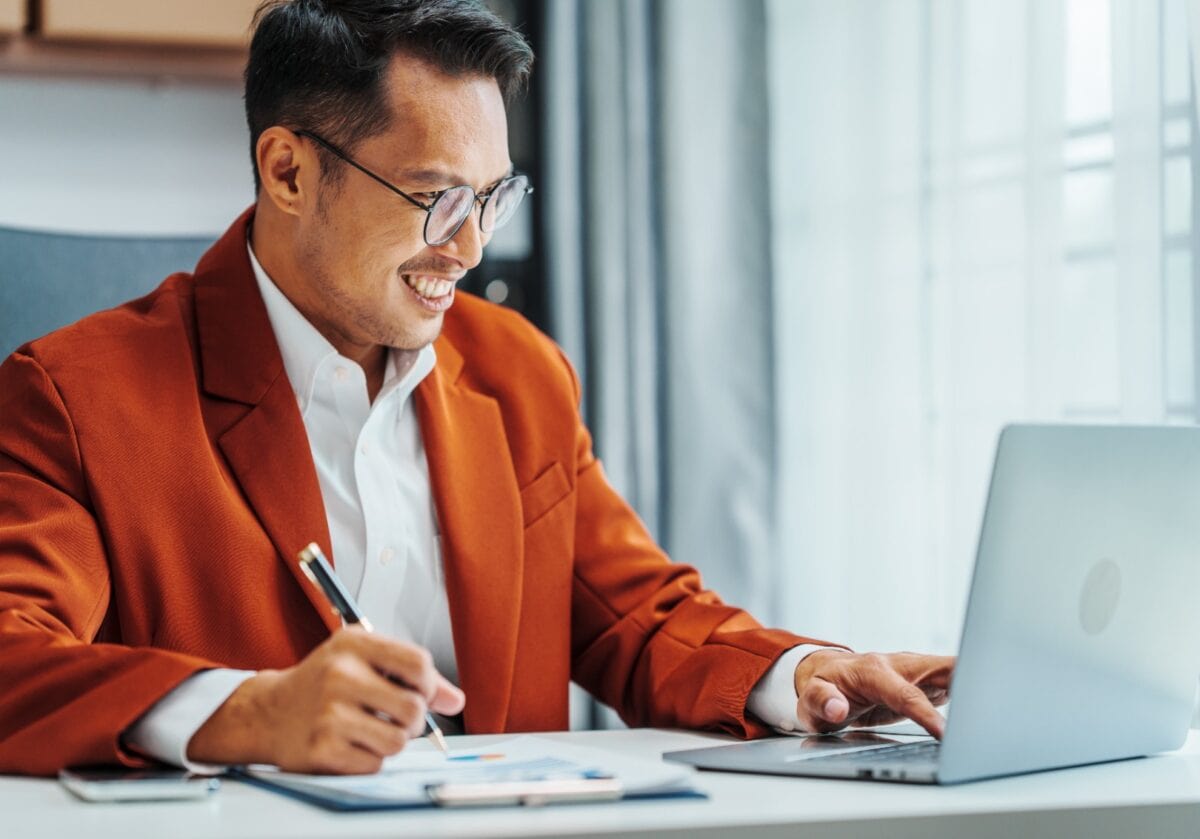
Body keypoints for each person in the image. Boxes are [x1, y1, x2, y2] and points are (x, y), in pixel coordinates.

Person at [0, 0, 953, 777]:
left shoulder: (518, 371)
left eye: (493, 197)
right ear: (287, 170)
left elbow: (641, 617)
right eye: (436, 199)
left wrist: (807, 674)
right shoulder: (75, 397)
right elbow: (12, 654)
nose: (470, 248)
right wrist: (246, 711)